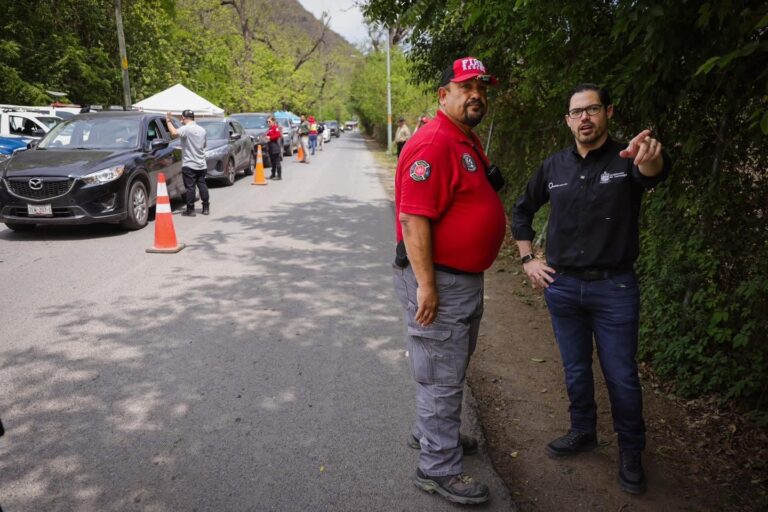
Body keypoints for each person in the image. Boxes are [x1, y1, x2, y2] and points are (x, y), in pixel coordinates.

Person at [511, 83, 671, 495]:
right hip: (562, 287)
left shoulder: (626, 158)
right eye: (576, 112)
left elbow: (651, 173)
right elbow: (522, 211)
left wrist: (651, 158)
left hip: (614, 288)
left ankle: (631, 451)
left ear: (608, 113)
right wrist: (528, 259)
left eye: (592, 109)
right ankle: (582, 430)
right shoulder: (553, 167)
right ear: (568, 120)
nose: (584, 117)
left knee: (621, 375)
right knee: (576, 368)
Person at [392, 56, 505, 505]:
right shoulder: (436, 142)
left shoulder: (463, 138)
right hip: (439, 280)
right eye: (466, 87)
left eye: (481, 87)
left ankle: (432, 434)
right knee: (442, 375)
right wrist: (427, 285)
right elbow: (413, 219)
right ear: (444, 95)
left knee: (448, 366)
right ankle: (437, 467)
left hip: (461, 280)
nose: (476, 94)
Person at [166, 109, 209, 216]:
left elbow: (174, 133)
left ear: (183, 118)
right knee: (202, 185)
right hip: (201, 163)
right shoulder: (202, 130)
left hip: (189, 164)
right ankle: (206, 208)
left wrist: (168, 121)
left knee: (190, 188)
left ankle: (190, 210)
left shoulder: (186, 128)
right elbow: (204, 145)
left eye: (182, 118)